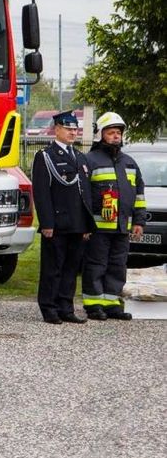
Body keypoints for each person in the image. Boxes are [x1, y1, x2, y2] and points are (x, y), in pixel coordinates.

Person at [82, 111, 148, 321]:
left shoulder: (129, 163)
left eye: (118, 132)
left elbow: (138, 195)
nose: (115, 136)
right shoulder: (89, 160)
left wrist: (138, 221)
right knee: (96, 264)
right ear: (100, 135)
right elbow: (82, 196)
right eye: (111, 132)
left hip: (122, 227)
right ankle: (93, 305)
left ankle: (112, 304)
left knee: (118, 266)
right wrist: (85, 225)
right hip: (98, 228)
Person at [31, 111, 95, 325]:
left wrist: (87, 223)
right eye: (68, 129)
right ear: (56, 129)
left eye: (74, 129)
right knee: (53, 268)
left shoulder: (79, 157)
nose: (72, 133)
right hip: (57, 223)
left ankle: (66, 307)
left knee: (70, 269)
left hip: (77, 223)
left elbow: (85, 192)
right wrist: (47, 223)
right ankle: (49, 307)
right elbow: (41, 193)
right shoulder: (46, 156)